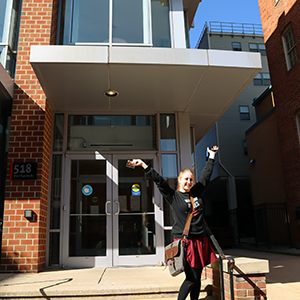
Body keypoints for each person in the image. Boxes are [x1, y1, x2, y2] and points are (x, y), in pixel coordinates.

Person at [126, 146, 218, 300]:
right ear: (179, 180)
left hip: (201, 241)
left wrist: (212, 156)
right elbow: (159, 181)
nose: (188, 182)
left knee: (197, 278)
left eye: (191, 179)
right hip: (185, 242)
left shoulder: (197, 192)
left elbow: (206, 175)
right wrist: (143, 165)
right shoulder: (174, 196)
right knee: (191, 278)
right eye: (185, 179)